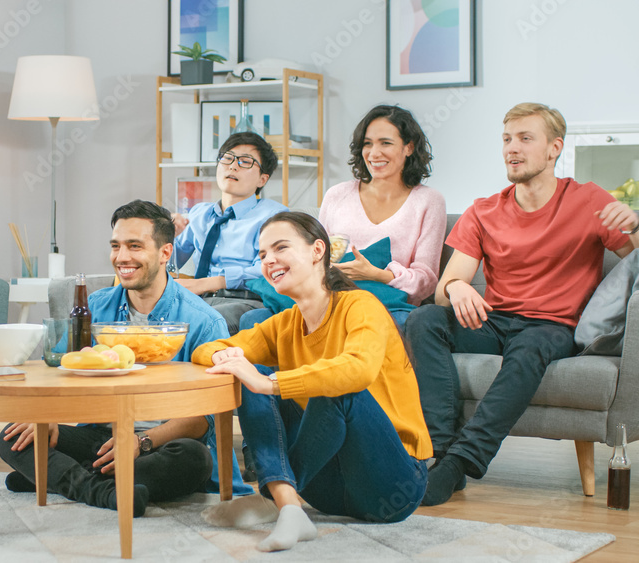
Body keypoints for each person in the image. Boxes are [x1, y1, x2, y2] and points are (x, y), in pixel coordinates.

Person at [405, 103, 639, 506]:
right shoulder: (484, 210)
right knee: (425, 318)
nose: (512, 148)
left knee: (530, 348)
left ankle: (461, 461)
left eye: (525, 138)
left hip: (551, 327)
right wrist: (458, 288)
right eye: (507, 139)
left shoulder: (588, 201)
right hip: (493, 321)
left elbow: (634, 263)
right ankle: (440, 451)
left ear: (554, 149)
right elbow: (445, 287)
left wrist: (636, 225)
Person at [193, 211, 432, 553]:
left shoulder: (361, 306)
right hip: (325, 491)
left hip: (392, 485)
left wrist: (272, 384)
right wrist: (229, 360)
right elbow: (206, 349)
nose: (269, 260)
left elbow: (358, 371)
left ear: (317, 251)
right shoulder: (284, 323)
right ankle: (286, 503)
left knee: (337, 391)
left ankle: (272, 499)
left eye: (280, 248)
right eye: (262, 255)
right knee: (248, 372)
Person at [0, 200, 253, 517]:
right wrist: (45, 416)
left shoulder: (203, 320)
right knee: (14, 435)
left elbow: (204, 418)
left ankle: (62, 477)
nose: (122, 258)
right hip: (101, 437)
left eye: (135, 246)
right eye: (116, 246)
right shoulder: (96, 306)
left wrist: (140, 441)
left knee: (194, 458)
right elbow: (60, 370)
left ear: (165, 253)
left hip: (159, 444)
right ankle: (101, 489)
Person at [239, 105, 445, 331]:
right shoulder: (338, 194)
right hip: (326, 299)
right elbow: (315, 256)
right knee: (253, 320)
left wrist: (376, 275)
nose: (374, 153)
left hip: (386, 306)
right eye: (368, 144)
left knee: (395, 325)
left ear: (409, 147)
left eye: (385, 143)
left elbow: (426, 281)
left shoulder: (428, 201)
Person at [173, 132, 288, 335]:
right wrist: (165, 237)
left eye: (245, 162)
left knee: (194, 323)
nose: (233, 166)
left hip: (246, 301)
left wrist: (208, 283)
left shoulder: (274, 215)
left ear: (263, 179)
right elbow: (169, 263)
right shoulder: (199, 213)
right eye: (227, 158)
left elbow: (269, 268)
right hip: (199, 299)